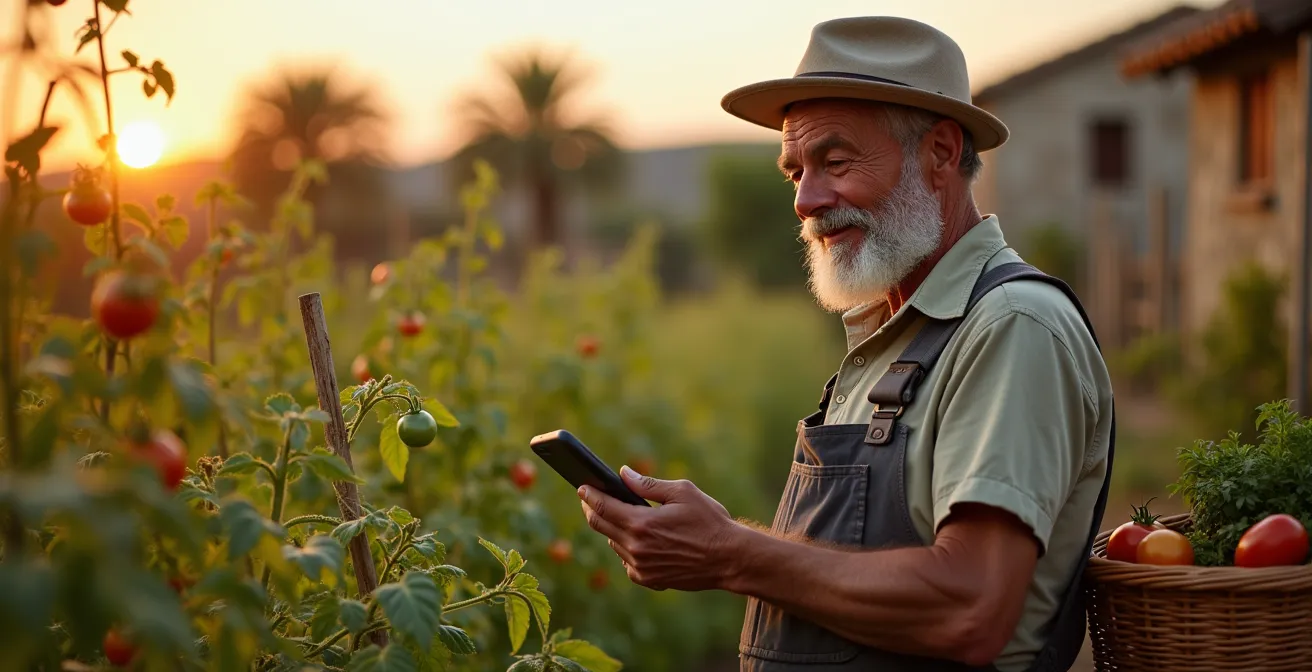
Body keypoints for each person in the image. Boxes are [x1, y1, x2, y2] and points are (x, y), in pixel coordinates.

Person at [575, 16, 1115, 672]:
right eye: (794, 171)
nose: (805, 200)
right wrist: (720, 546)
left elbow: (970, 607)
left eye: (835, 161)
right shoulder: (895, 334)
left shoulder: (1012, 326)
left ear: (941, 154)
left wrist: (732, 552)